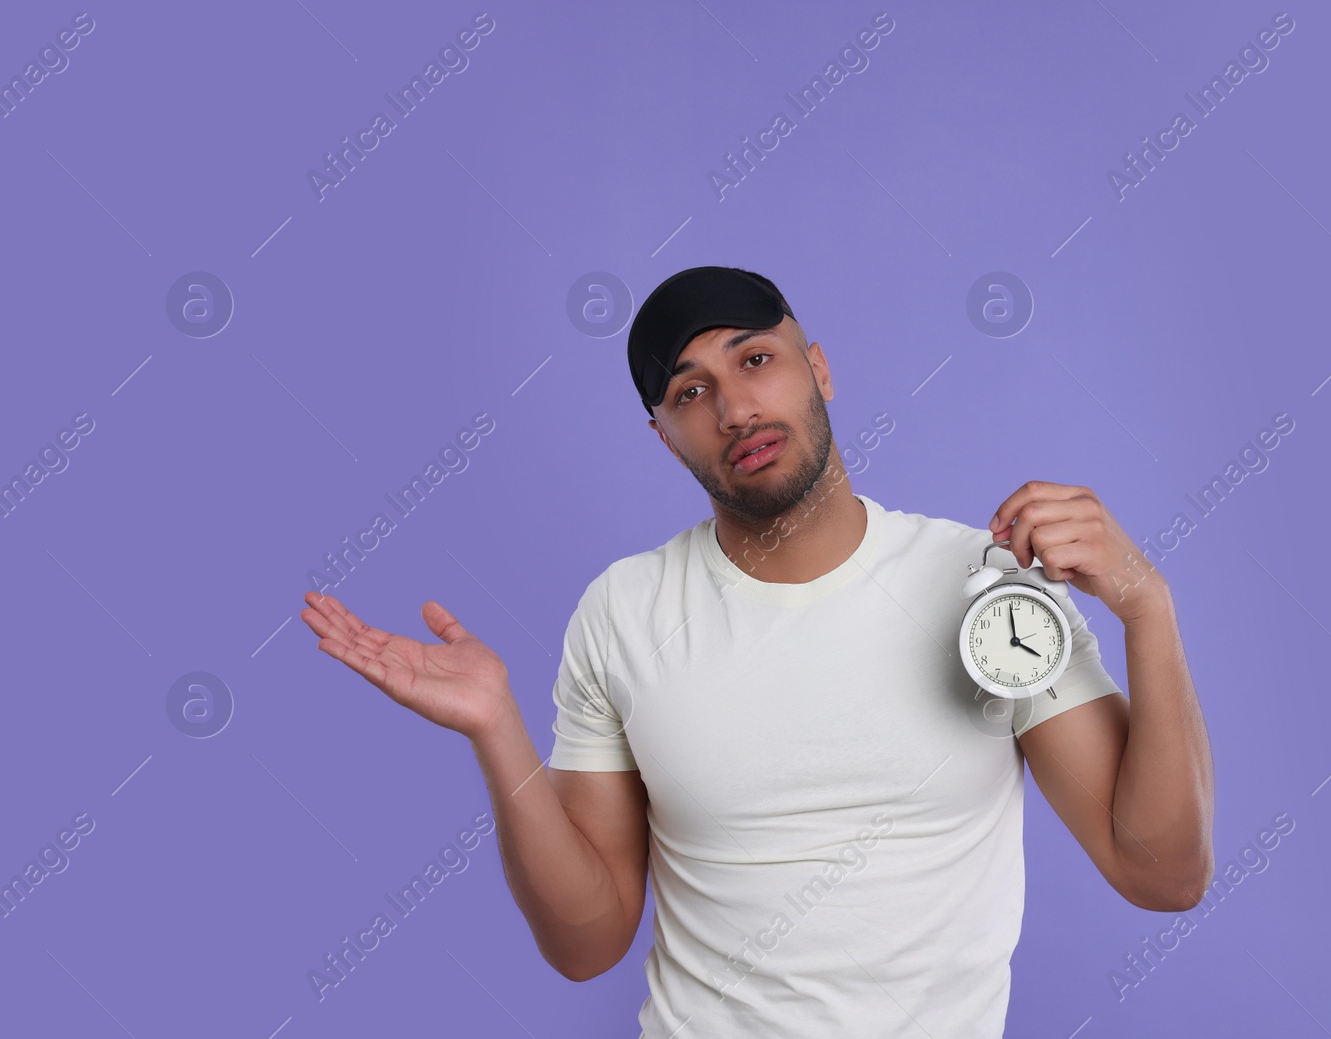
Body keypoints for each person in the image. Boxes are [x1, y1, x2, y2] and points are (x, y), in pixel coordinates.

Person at [299, 265, 1214, 1037]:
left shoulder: (985, 585)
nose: (734, 407)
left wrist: (1148, 607)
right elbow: (588, 943)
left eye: (757, 359)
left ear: (816, 367)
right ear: (664, 436)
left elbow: (1162, 873)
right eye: (690, 391)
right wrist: (498, 731)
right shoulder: (624, 611)